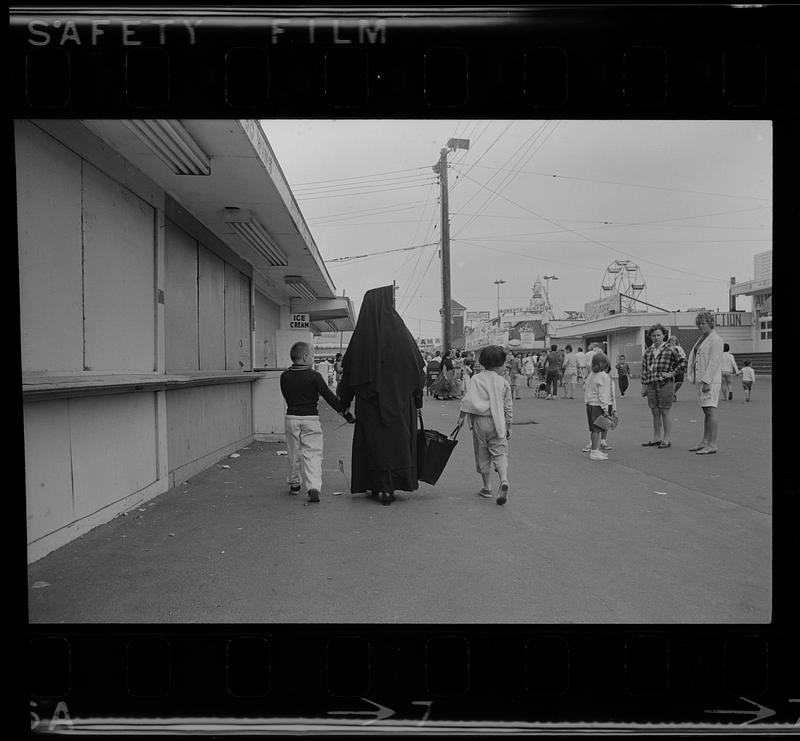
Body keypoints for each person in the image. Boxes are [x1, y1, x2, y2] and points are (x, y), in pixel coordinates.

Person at [337, 285, 426, 505]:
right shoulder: (402, 335)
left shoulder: (361, 338)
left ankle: (376, 484)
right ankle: (391, 486)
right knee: (396, 444)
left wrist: (345, 402)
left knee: (373, 444)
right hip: (399, 405)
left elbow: (349, 373)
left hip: (370, 406)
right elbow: (416, 371)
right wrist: (417, 400)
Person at [280, 342, 355, 502]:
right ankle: (313, 486)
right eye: (312, 356)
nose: (313, 359)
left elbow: (286, 396)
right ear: (305, 357)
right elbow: (330, 398)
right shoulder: (314, 377)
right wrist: (348, 416)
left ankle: (294, 484)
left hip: (291, 417)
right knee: (313, 453)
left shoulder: (284, 376)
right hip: (310, 419)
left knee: (293, 452)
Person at [458, 345, 513, 505]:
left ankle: (487, 487)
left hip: (479, 421)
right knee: (500, 452)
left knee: (482, 452)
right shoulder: (503, 382)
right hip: (498, 422)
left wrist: (461, 417)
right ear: (499, 365)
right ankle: (503, 480)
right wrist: (509, 426)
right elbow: (508, 406)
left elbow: (468, 400)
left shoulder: (476, 378)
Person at [640, 324, 687, 449]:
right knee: (654, 411)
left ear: (664, 335)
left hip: (665, 383)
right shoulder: (648, 351)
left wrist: (672, 373)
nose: (656, 338)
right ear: (650, 337)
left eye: (658, 335)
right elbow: (644, 369)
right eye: (653, 335)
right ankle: (656, 437)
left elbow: (683, 362)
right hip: (651, 384)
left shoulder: (670, 349)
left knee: (664, 411)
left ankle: (666, 439)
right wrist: (644, 385)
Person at [685, 310, 724, 455]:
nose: (701, 326)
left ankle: (712, 444)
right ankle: (705, 441)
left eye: (704, 323)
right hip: (702, 380)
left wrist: (707, 381)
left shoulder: (716, 340)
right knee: (706, 411)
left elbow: (714, 362)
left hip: (710, 381)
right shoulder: (702, 339)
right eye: (699, 323)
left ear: (710, 323)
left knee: (711, 410)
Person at [583, 351, 614, 461]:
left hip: (590, 404)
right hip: (598, 405)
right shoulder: (604, 376)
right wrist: (606, 409)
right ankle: (594, 451)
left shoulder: (591, 375)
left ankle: (594, 449)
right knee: (597, 429)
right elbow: (603, 393)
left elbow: (585, 387)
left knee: (593, 429)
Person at [667, 336, 686, 401]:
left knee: (679, 382)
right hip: (671, 365)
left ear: (676, 342)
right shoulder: (667, 348)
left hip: (679, 365)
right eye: (671, 341)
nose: (672, 342)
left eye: (674, 341)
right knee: (672, 381)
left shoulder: (679, 348)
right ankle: (672, 395)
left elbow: (684, 357)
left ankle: (673, 393)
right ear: (669, 342)